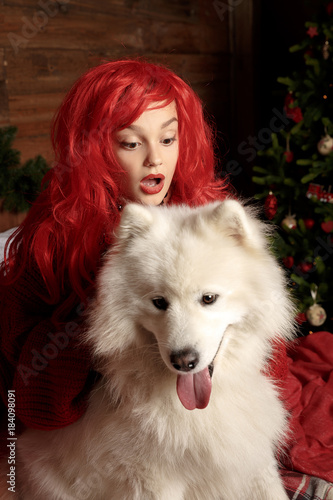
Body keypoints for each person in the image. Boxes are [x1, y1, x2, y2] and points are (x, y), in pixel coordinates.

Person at [0, 58, 288, 439]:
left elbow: (267, 346)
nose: (155, 158)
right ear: (94, 150)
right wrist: (92, 324)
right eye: (132, 143)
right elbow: (26, 391)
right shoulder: (53, 240)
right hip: (91, 436)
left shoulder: (203, 213)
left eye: (168, 139)